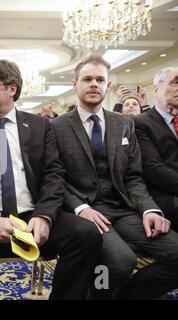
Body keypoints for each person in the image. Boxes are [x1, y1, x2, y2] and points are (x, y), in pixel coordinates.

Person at [0, 59, 102, 300]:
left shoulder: (39, 125)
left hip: (31, 213)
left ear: (12, 89)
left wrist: (44, 216)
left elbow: (54, 174)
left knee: (86, 234)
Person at [51, 54, 178, 299]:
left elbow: (133, 176)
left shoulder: (123, 124)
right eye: (87, 79)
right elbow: (55, 177)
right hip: (87, 212)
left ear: (108, 86)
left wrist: (150, 210)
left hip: (124, 209)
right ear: (75, 83)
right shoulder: (57, 127)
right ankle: (98, 294)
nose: (94, 84)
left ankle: (125, 295)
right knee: (120, 262)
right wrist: (80, 208)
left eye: (100, 79)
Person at [134, 67, 178, 231]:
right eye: (176, 82)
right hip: (165, 195)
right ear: (157, 88)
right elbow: (154, 169)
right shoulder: (140, 123)